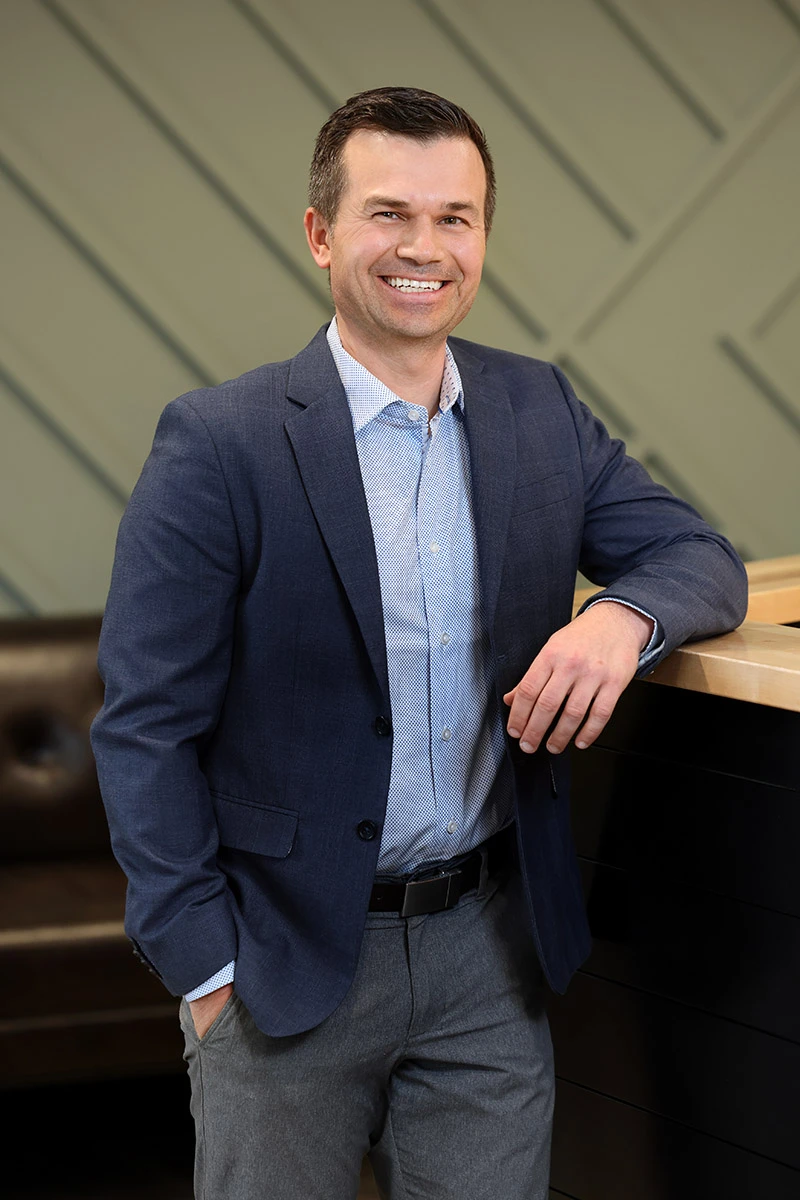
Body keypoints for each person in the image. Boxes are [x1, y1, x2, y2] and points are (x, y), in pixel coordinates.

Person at [91, 86, 748, 1200]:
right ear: (320, 234)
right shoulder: (220, 443)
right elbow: (144, 728)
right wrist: (206, 970)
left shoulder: (537, 408)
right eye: (388, 213)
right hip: (280, 958)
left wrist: (617, 620)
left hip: (487, 954)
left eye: (455, 218)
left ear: (482, 237)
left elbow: (698, 555)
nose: (423, 248)